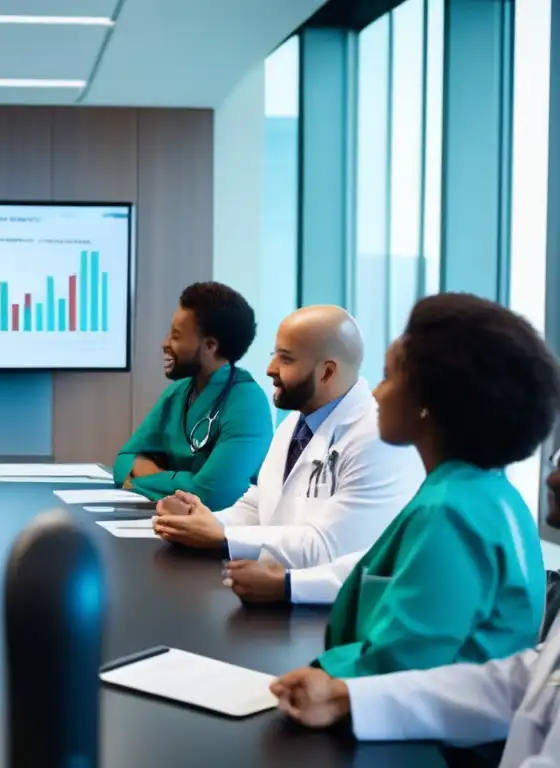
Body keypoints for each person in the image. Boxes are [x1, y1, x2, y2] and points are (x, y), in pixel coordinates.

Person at [279, 293, 556, 680]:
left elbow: (397, 666)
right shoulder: (489, 492)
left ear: (429, 400)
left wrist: (314, 678)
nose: (376, 393)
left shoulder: (449, 512)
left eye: (389, 377)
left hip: (421, 733)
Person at [270, 456, 560, 766]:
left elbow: (408, 657)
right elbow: (520, 683)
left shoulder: (453, 506)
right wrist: (346, 697)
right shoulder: (476, 492)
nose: (552, 478)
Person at [152, 306, 425, 584]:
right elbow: (260, 506)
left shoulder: (379, 439)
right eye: (275, 355)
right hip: (278, 593)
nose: (270, 369)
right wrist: (203, 521)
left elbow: (330, 548)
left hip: (331, 609)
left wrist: (222, 536)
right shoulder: (293, 424)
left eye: (286, 359)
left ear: (327, 373)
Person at [112, 282, 272, 509]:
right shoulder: (178, 393)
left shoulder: (248, 405)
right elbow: (124, 461)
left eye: (176, 336)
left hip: (220, 538)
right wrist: (185, 483)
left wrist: (144, 477)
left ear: (209, 346)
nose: (165, 343)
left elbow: (212, 495)